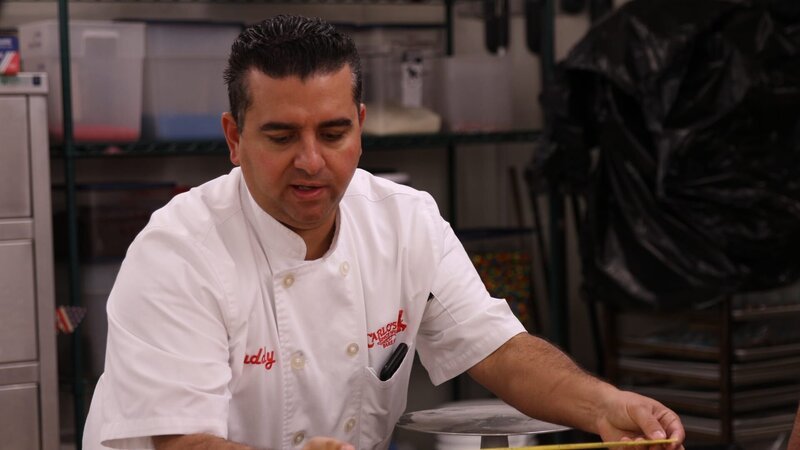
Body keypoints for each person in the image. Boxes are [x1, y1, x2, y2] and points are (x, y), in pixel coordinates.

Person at [83, 14, 685, 450]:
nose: (312, 161)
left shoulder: (405, 220)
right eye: (281, 136)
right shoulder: (179, 252)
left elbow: (498, 350)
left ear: (362, 127)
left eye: (334, 132)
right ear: (234, 139)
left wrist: (607, 405)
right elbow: (182, 442)